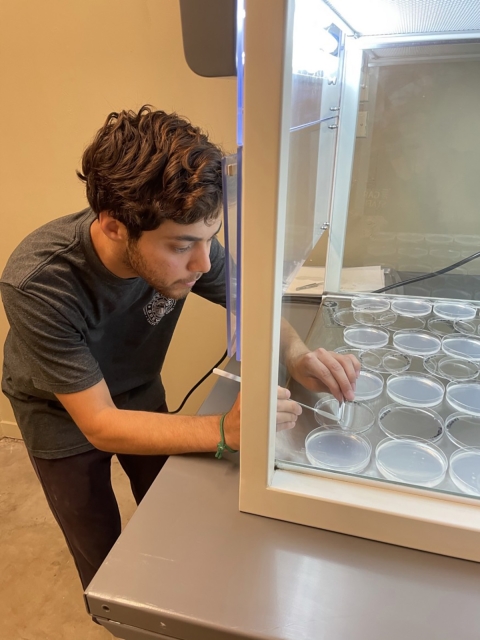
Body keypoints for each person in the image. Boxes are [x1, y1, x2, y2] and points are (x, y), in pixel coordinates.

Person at [0, 106, 359, 594]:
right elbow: (100, 424)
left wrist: (297, 353)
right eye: (181, 246)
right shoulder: (37, 282)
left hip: (138, 384)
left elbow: (249, 300)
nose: (202, 262)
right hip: (58, 413)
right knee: (99, 546)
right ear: (112, 227)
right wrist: (222, 430)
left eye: (209, 240)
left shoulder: (190, 241)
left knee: (169, 507)